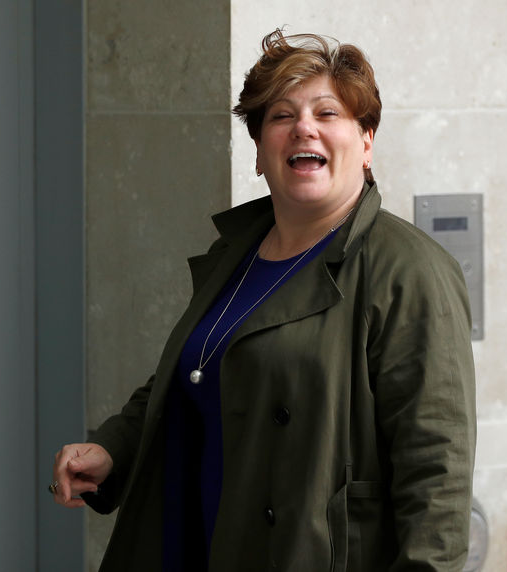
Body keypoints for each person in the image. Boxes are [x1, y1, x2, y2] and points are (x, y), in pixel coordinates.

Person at [51, 30, 476, 571]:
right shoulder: (235, 252)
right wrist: (114, 448)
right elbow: (196, 376)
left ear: (366, 142)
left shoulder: (410, 270)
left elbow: (438, 475)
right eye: (281, 116)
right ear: (258, 151)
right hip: (192, 546)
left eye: (328, 113)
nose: (304, 127)